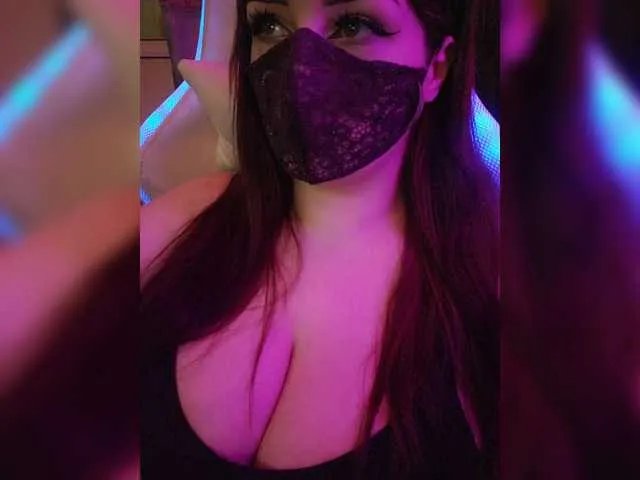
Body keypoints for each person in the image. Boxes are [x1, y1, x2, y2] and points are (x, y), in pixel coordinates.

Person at [141, 0, 498, 478]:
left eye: (353, 23)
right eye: (270, 24)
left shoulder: (493, 284)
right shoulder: (173, 228)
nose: (300, 65)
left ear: (436, 68)